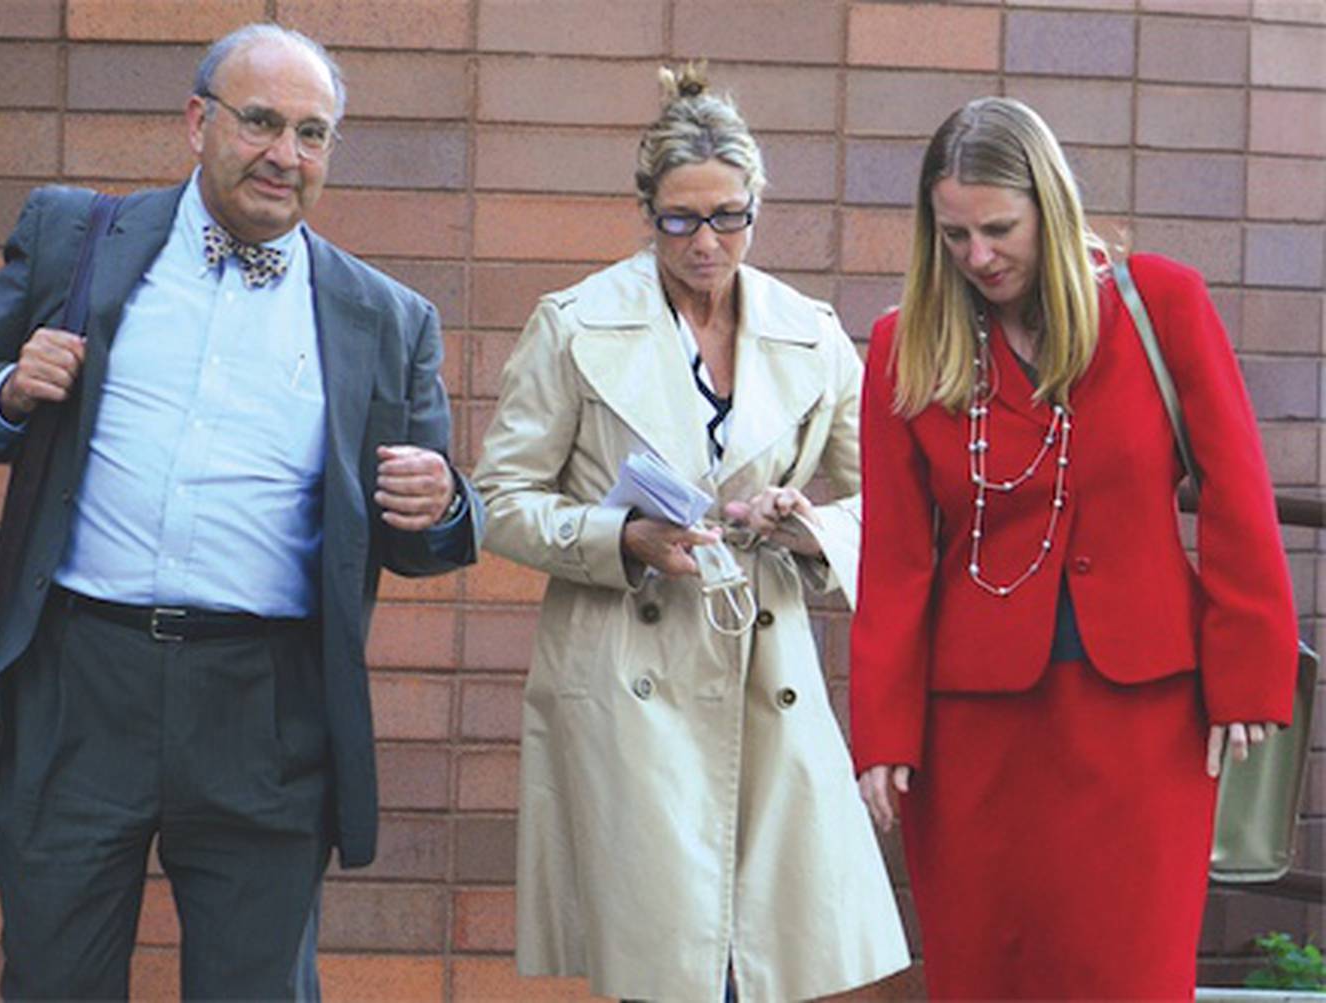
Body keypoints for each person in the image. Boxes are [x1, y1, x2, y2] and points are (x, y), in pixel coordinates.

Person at [0, 24, 478, 999]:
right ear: (197, 121)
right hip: (80, 683)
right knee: (52, 981)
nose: (284, 155)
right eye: (261, 121)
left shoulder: (387, 320)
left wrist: (439, 507)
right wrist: (8, 390)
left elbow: (423, 533)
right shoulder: (75, 239)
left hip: (264, 707)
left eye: (312, 133)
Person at [472, 64, 908, 1003]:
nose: (706, 242)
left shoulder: (813, 332)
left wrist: (804, 525)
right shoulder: (576, 325)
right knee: (664, 968)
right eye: (680, 219)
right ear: (645, 211)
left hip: (765, 668)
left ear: (758, 206)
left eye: (729, 216)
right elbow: (499, 498)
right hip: (630, 674)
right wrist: (623, 537)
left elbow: (895, 504)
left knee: (766, 961)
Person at [849, 96, 1299, 1000]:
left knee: (1128, 972)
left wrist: (1248, 674)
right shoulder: (908, 347)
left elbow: (1236, 493)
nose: (978, 256)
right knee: (987, 972)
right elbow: (896, 554)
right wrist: (883, 732)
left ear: (1049, 208)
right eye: (953, 235)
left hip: (1145, 718)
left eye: (998, 229)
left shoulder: (1161, 304)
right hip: (973, 727)